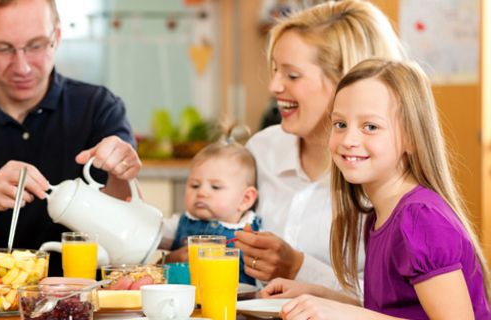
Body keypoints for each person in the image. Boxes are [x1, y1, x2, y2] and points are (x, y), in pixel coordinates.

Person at [0, 0, 141, 276]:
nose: (22, 67)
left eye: (36, 46)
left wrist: (121, 172)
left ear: (56, 36)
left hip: (83, 299)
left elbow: (125, 227)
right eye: (3, 48)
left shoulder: (99, 108)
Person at [266, 58, 491, 319]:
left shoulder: (419, 219)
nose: (349, 140)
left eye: (370, 127)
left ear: (411, 138)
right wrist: (321, 297)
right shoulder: (379, 216)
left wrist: (345, 314)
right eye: (340, 124)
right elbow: (393, 312)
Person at [234, 0, 408, 290]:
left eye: (292, 75)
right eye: (275, 70)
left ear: (347, 80)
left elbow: (399, 298)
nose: (274, 86)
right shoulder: (262, 150)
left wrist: (299, 269)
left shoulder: (385, 174)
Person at [160, 137, 260, 285]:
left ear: (245, 199)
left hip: (237, 305)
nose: (201, 193)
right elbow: (149, 233)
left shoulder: (254, 234)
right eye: (194, 185)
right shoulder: (179, 223)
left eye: (215, 187)